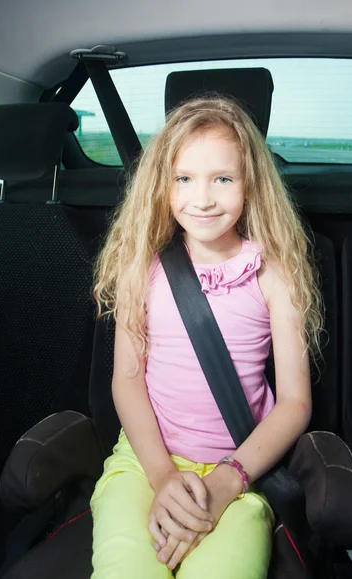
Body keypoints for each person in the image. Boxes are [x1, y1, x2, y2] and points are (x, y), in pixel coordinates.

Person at [90, 95, 322, 578]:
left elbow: (295, 402)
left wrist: (227, 482)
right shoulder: (143, 269)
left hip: (240, 471)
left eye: (222, 179)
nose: (203, 199)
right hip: (144, 461)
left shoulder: (275, 275)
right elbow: (127, 381)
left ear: (249, 183)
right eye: (184, 179)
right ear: (163, 185)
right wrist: (161, 478)